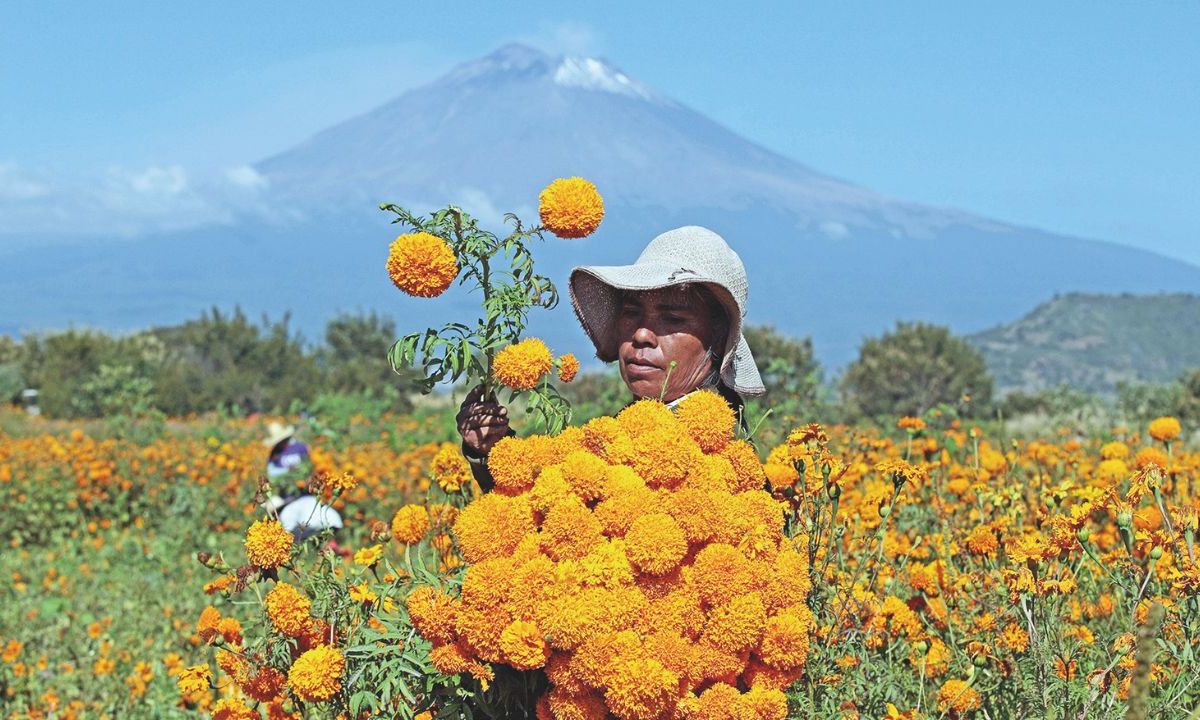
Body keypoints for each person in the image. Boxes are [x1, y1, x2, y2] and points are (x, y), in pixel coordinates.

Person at [457, 225, 766, 491]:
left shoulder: (727, 467)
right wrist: (489, 449)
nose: (642, 335)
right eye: (632, 313)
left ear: (716, 336)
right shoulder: (616, 436)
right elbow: (548, 524)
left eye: (672, 318)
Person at [261, 421, 344, 543]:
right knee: (288, 529)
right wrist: (287, 472)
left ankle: (326, 544)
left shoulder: (300, 448)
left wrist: (307, 478)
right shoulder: (275, 454)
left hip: (306, 494)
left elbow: (311, 466)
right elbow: (272, 475)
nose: (280, 444)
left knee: (329, 520)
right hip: (287, 499)